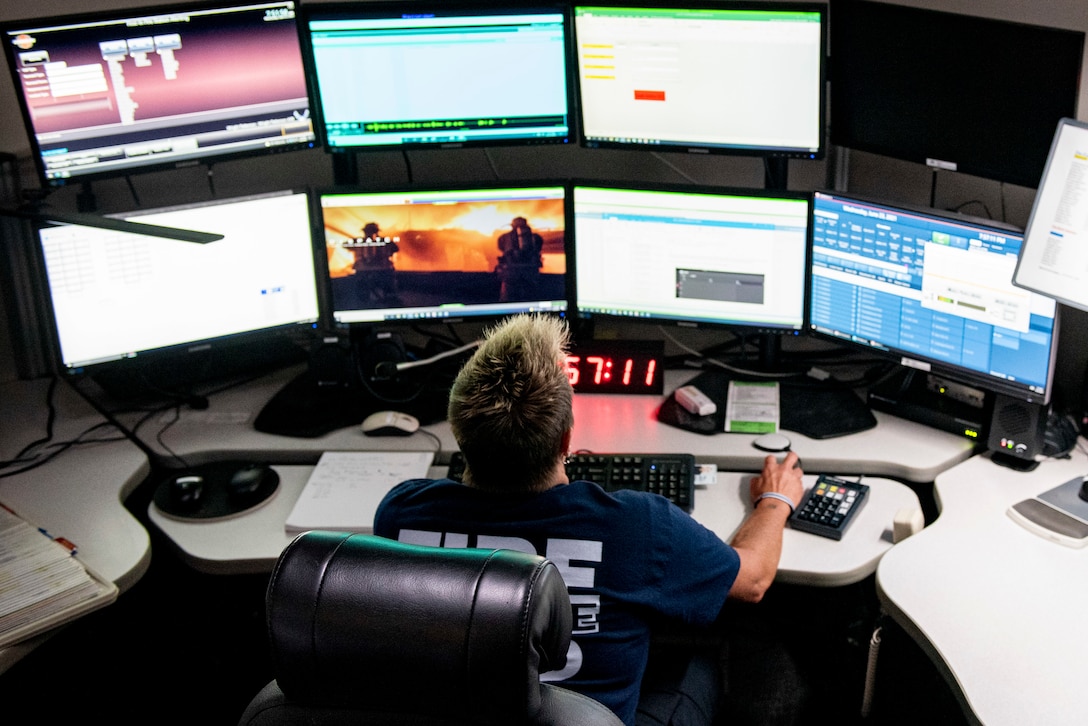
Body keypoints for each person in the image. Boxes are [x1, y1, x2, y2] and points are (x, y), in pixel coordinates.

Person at [373, 314, 804, 726]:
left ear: (458, 431)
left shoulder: (400, 517)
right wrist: (775, 498)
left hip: (461, 714)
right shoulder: (636, 525)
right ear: (565, 438)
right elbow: (754, 581)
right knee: (704, 658)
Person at [495, 216, 544, 301]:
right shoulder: (536, 237)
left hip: (510, 272)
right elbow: (538, 248)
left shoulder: (503, 237)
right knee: (531, 297)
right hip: (530, 272)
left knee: (508, 298)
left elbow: (501, 248)